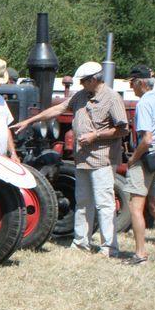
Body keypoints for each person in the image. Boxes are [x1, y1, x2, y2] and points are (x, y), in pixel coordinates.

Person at [12, 61, 127, 256]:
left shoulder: (112, 98)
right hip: (82, 157)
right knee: (82, 201)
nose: (81, 84)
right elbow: (57, 110)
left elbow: (122, 128)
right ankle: (81, 242)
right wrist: (30, 121)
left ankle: (109, 246)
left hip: (102, 159)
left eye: (83, 81)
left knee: (104, 203)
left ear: (93, 79)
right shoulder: (81, 96)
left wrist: (95, 135)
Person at [122, 65, 155, 264]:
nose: (131, 85)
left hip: (146, 156)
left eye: (132, 81)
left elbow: (146, 139)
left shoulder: (144, 104)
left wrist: (133, 159)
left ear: (141, 82)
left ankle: (140, 253)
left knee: (136, 207)